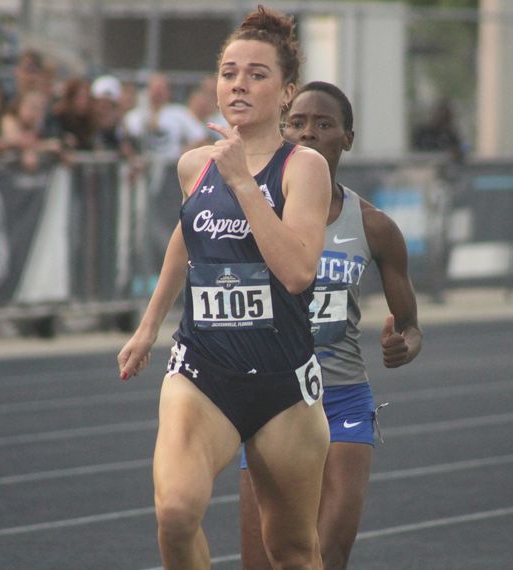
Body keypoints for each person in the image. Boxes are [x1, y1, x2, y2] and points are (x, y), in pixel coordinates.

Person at [117, 5, 332, 569]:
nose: (238, 84)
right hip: (202, 371)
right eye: (229, 72)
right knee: (176, 513)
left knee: (291, 551)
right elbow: (183, 240)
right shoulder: (195, 165)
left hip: (283, 383)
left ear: (287, 93)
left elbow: (296, 272)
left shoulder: (302, 167)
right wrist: (147, 327)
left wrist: (243, 182)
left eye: (257, 74)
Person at [239, 81, 423, 569]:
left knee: (326, 555)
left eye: (324, 124)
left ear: (348, 138)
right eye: (297, 123)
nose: (309, 133)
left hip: (340, 396)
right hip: (269, 401)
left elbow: (410, 325)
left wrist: (404, 342)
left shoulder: (374, 226)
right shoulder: (252, 212)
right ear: (282, 132)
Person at [123, 72, 209, 162]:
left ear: (168, 91)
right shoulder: (134, 116)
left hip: (172, 169)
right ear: (147, 90)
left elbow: (200, 138)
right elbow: (128, 141)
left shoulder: (179, 113)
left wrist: (185, 155)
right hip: (143, 168)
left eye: (161, 88)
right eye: (155, 88)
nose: (157, 92)